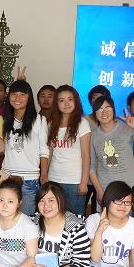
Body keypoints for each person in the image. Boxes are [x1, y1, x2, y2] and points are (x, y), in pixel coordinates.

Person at [90, 95, 134, 206]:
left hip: (129, 188)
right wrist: (99, 191)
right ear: (94, 113)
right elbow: (91, 168)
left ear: (113, 109)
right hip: (106, 189)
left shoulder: (126, 128)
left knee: (128, 216)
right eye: (100, 109)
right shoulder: (93, 136)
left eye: (108, 107)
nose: (104, 112)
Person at [2, 80, 50, 216]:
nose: (17, 98)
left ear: (29, 97)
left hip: (28, 179)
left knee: (26, 220)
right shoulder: (5, 120)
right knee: (7, 217)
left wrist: (44, 174)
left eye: (22, 94)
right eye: (14, 94)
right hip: (7, 177)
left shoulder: (39, 120)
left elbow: (44, 150)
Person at [47, 85, 91, 217]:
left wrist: (84, 182)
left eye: (70, 99)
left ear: (76, 101)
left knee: (76, 219)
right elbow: (49, 153)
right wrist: (44, 175)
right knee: (54, 216)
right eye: (61, 100)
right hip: (53, 179)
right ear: (56, 104)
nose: (66, 103)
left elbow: (86, 155)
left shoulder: (82, 123)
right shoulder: (52, 124)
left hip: (74, 181)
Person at [84, 85, 111, 215]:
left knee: (99, 212)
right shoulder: (83, 121)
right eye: (95, 98)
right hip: (85, 175)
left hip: (104, 176)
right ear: (90, 101)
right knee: (80, 209)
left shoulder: (113, 123)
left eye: (102, 98)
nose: (98, 101)